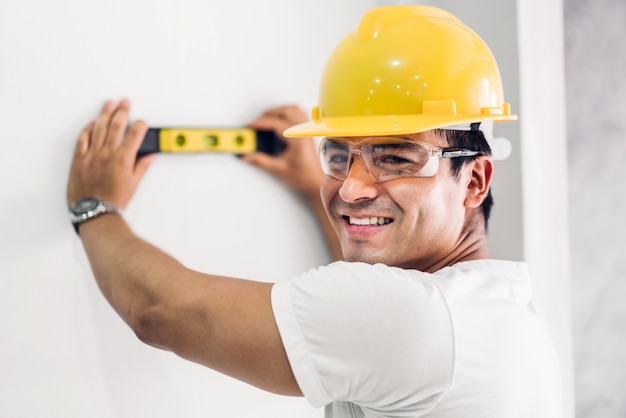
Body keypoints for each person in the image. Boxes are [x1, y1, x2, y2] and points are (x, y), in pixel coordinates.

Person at [67, 5, 562, 417]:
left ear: (474, 180)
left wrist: (95, 206)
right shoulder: (503, 311)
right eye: (340, 155)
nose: (352, 187)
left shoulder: (418, 321)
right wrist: (315, 186)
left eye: (394, 157)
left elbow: (161, 312)